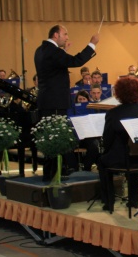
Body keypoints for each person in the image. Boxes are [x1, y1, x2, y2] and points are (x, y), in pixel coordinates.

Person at [34, 24, 98, 180]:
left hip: (46, 101)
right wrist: (92, 44)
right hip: (56, 102)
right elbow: (76, 61)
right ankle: (53, 177)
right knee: (55, 140)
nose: (67, 37)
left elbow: (55, 65)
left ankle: (52, 175)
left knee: (50, 141)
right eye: (65, 34)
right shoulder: (53, 51)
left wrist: (63, 52)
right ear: (56, 35)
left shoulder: (41, 50)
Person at [98, 76, 138, 211]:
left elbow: (107, 138)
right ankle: (133, 200)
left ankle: (109, 202)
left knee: (102, 162)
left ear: (118, 93)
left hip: (121, 159)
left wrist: (105, 152)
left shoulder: (113, 113)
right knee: (132, 157)